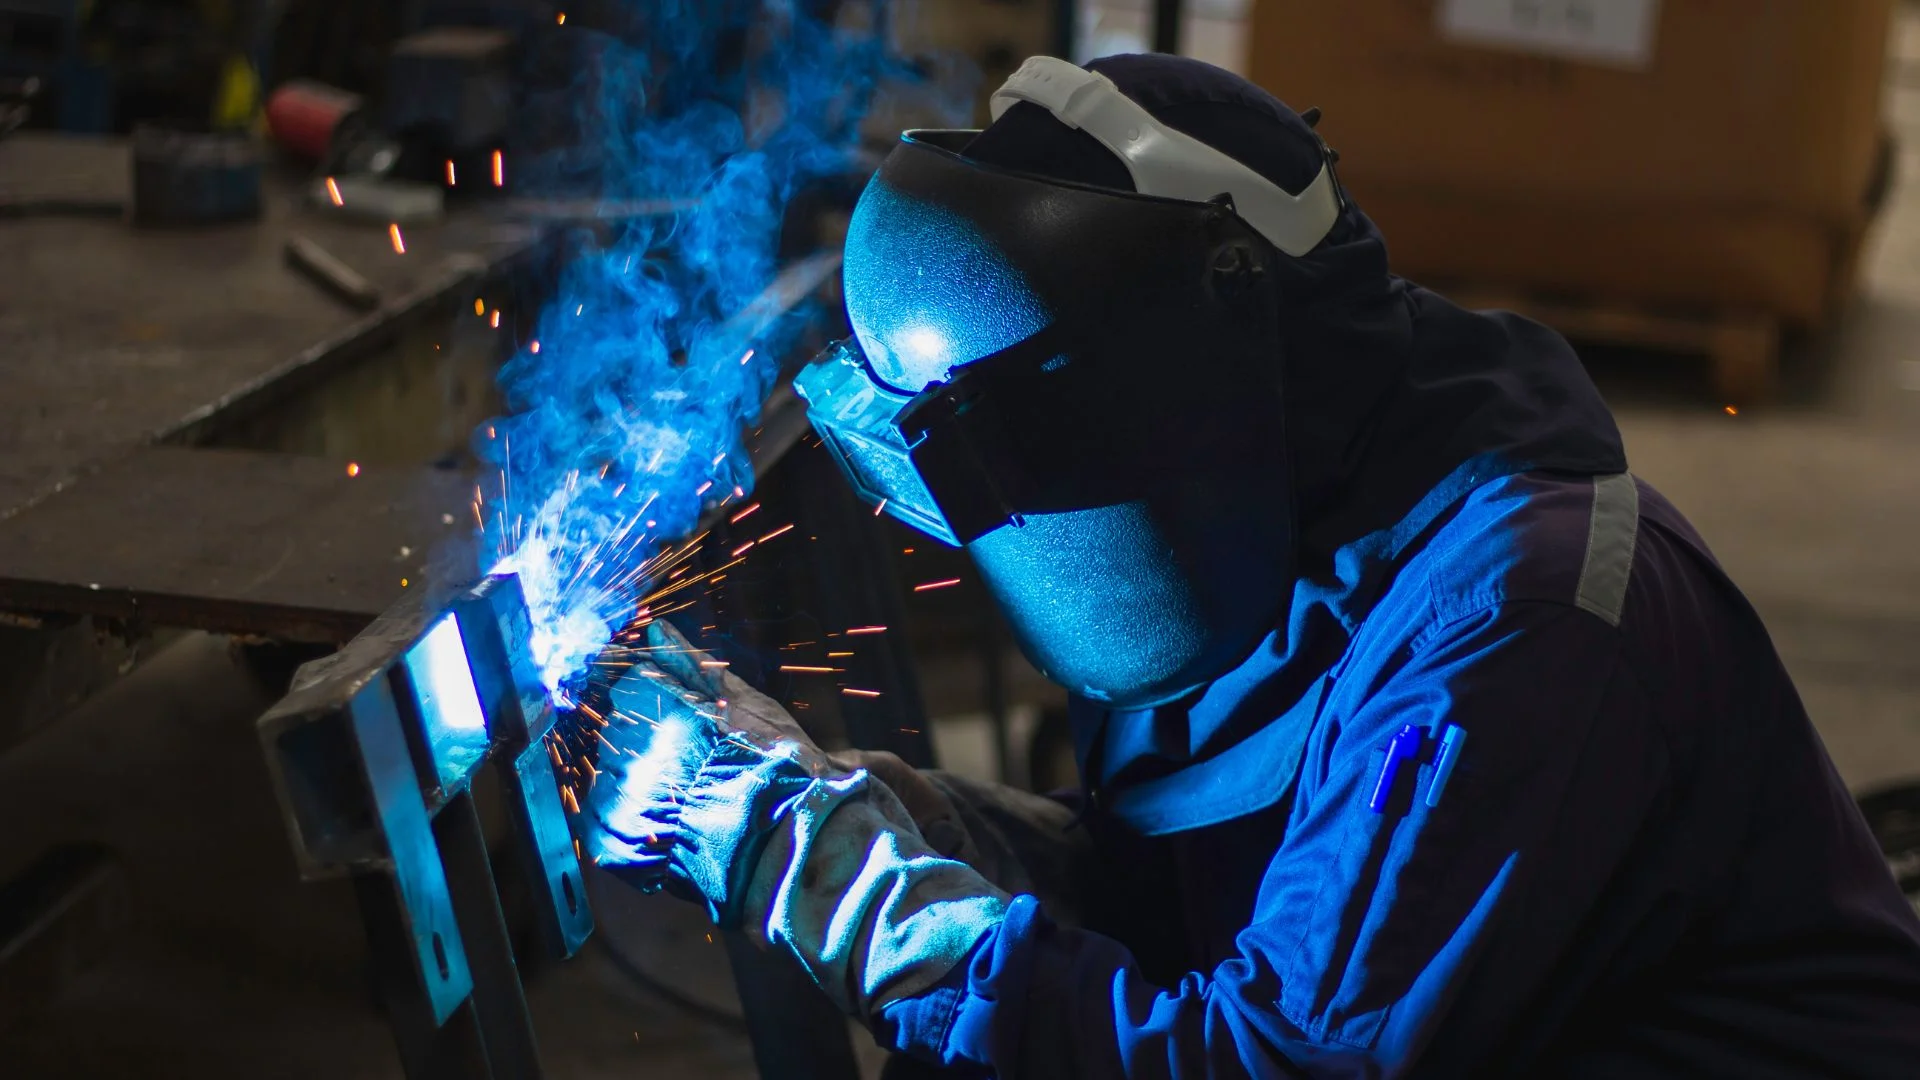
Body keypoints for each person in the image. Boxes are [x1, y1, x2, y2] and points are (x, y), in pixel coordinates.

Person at [585, 54, 1920, 1077]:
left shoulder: (1511, 635)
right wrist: (904, 826)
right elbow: (1182, 891)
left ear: (1163, 396)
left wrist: (836, 881)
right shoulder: (1260, 524)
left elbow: (1265, 1056)